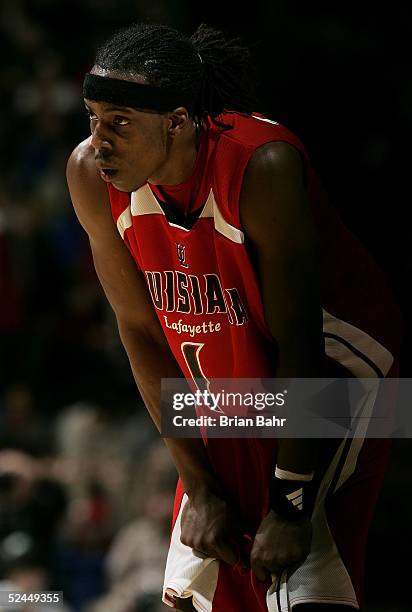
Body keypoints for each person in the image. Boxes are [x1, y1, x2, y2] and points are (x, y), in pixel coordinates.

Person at [66, 23, 402, 612]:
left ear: (176, 121)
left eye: (119, 121)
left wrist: (290, 503)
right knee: (204, 565)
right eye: (92, 116)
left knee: (297, 574)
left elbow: (300, 342)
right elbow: (141, 331)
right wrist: (196, 486)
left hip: (345, 373)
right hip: (234, 382)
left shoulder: (262, 166)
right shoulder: (90, 175)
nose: (100, 139)